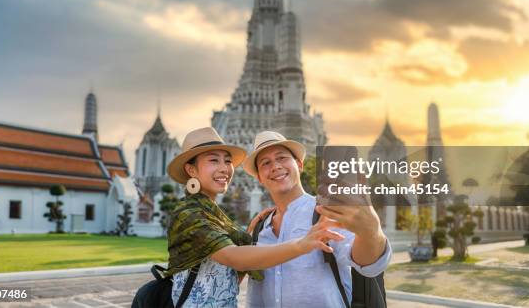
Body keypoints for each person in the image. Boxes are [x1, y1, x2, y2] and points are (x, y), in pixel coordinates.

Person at [164, 127, 345, 308]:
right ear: (191, 170)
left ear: (299, 164)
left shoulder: (215, 215)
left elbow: (231, 277)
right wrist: (301, 244)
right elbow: (234, 258)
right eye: (213, 161)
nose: (224, 168)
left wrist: (250, 233)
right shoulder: (188, 213)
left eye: (227, 161)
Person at [243, 131, 392, 308]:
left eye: (282, 158)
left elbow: (367, 263)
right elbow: (255, 298)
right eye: (265, 163)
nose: (275, 166)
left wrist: (371, 231)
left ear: (299, 164)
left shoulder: (326, 211)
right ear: (259, 177)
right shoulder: (260, 229)